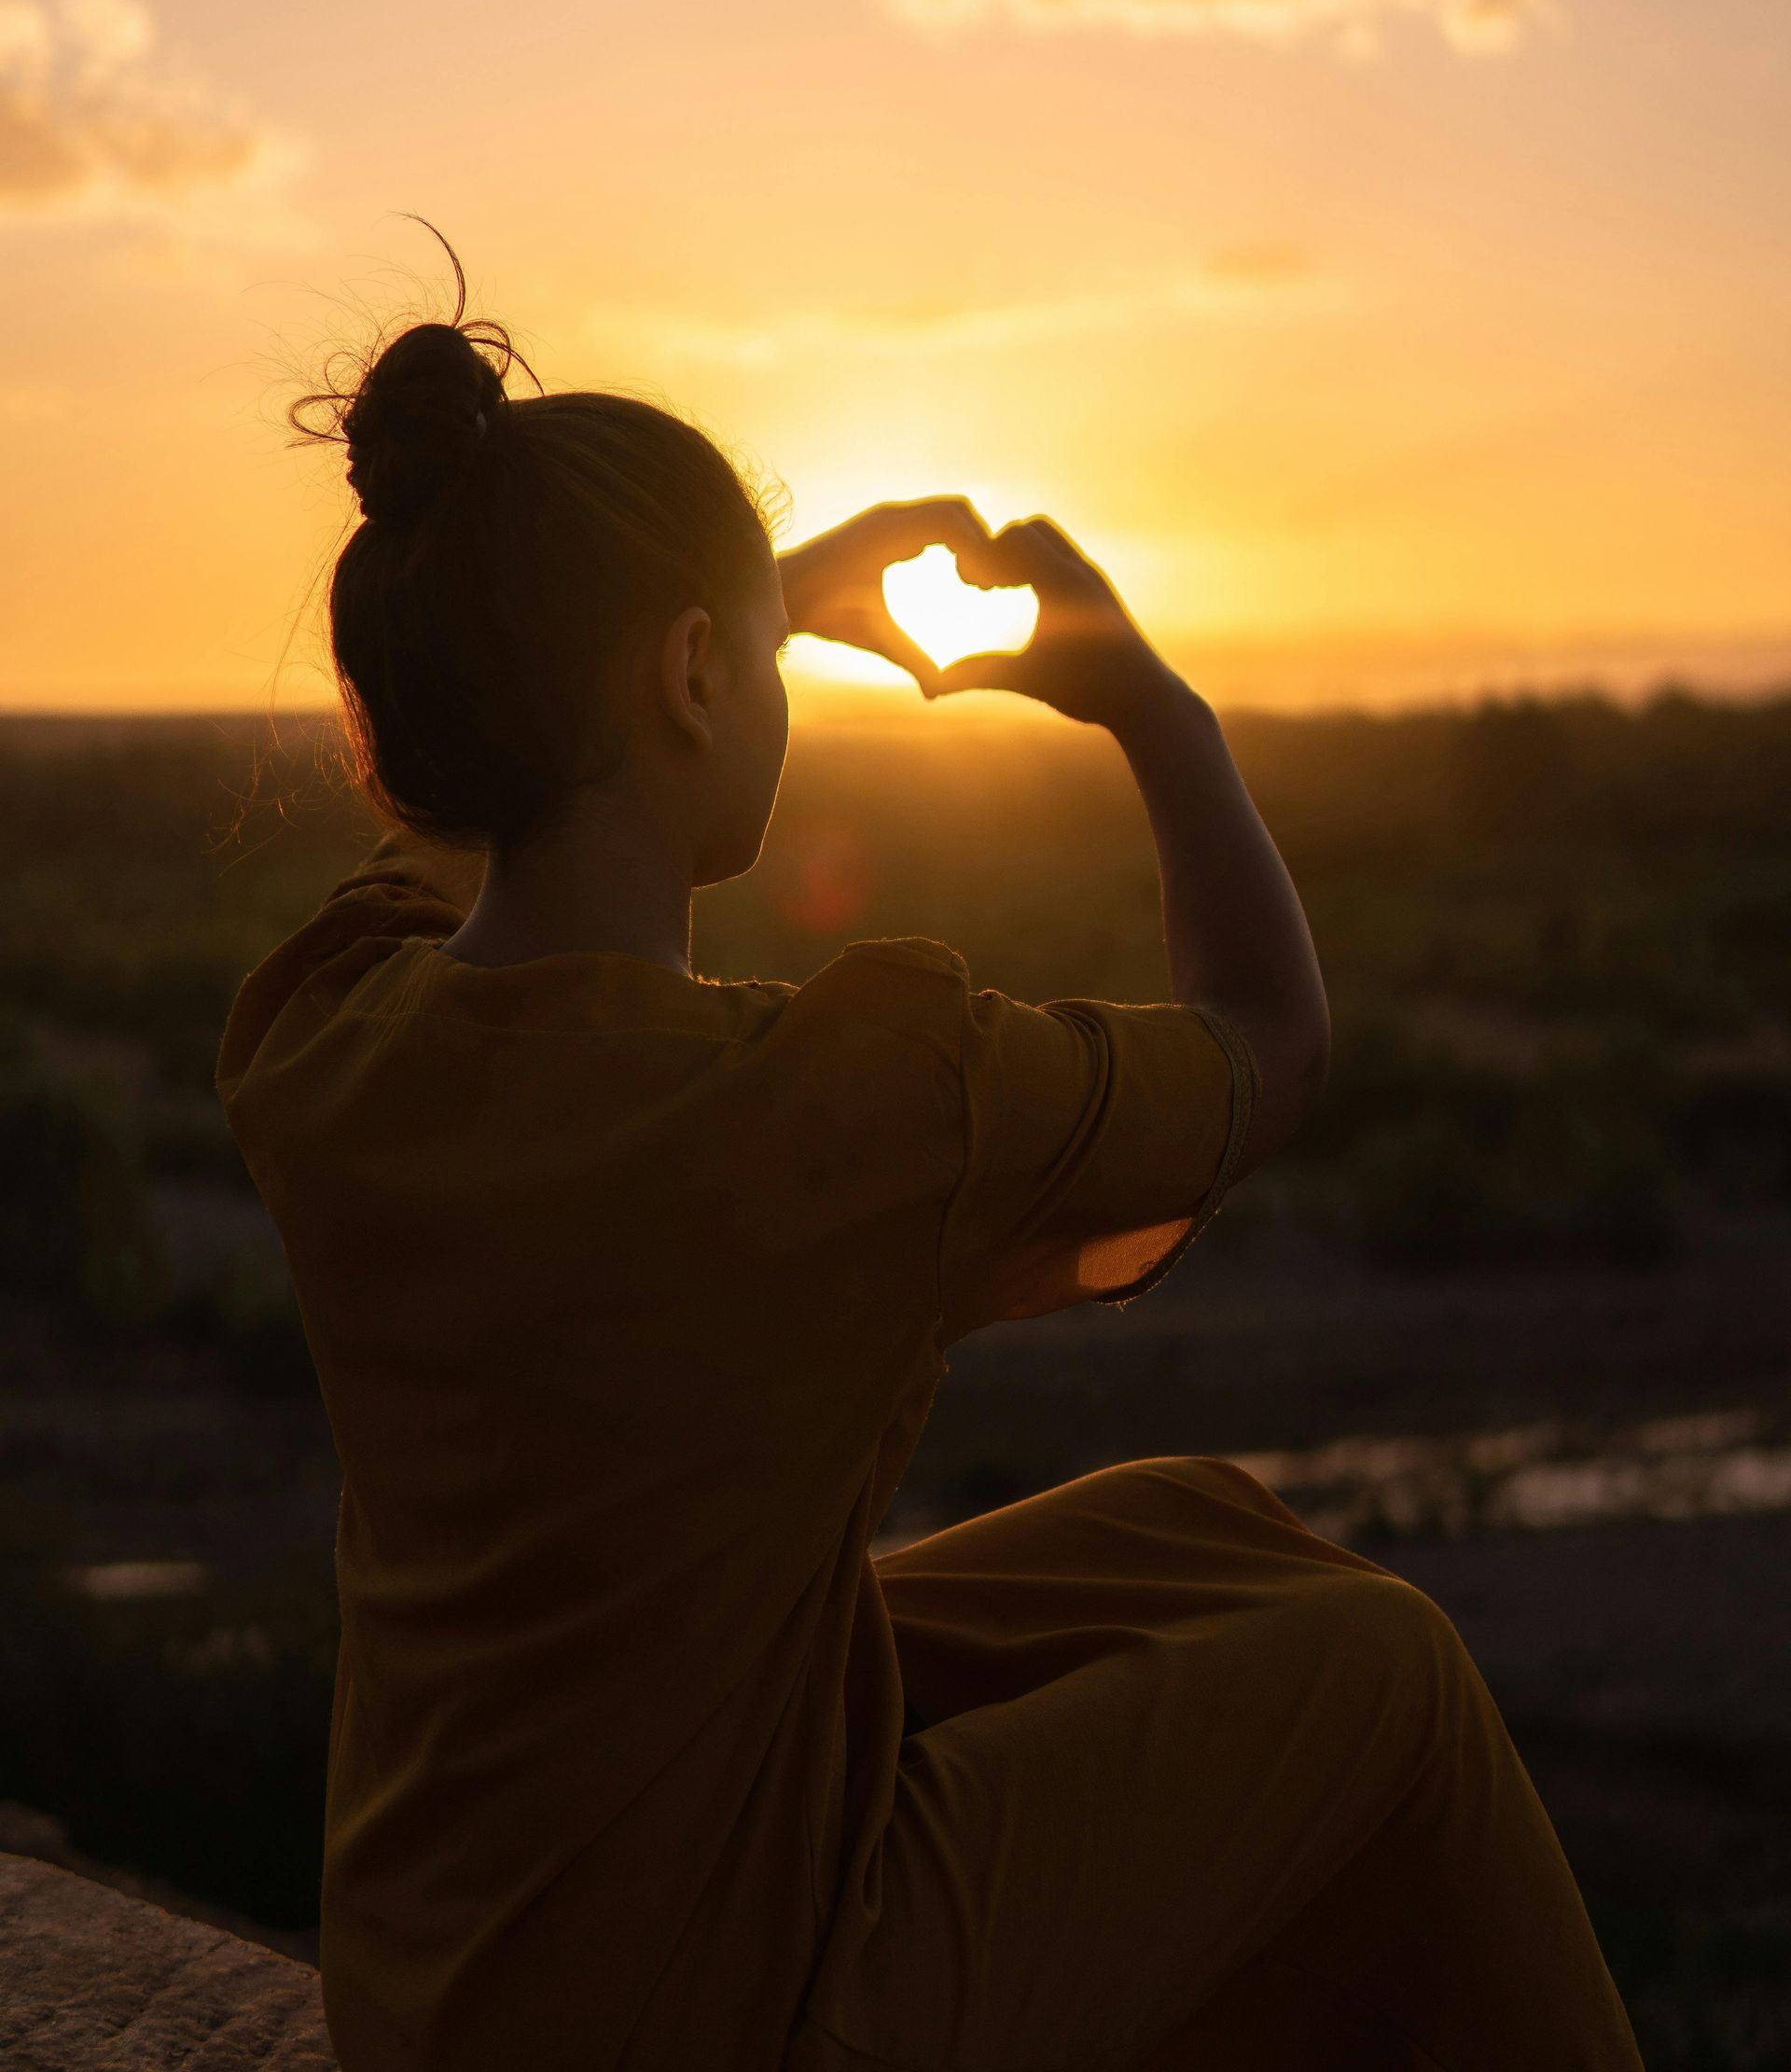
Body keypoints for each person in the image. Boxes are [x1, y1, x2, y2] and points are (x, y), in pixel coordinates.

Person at [218, 263, 1642, 2072]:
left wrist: (739, 615)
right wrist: (1152, 702)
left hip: (442, 1988)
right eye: (742, 647)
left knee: (1192, 1532)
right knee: (1392, 1682)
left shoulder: (323, 1043)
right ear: (695, 669)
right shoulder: (859, 1103)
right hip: (729, 2014)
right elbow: (1273, 1043)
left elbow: (451, 844)